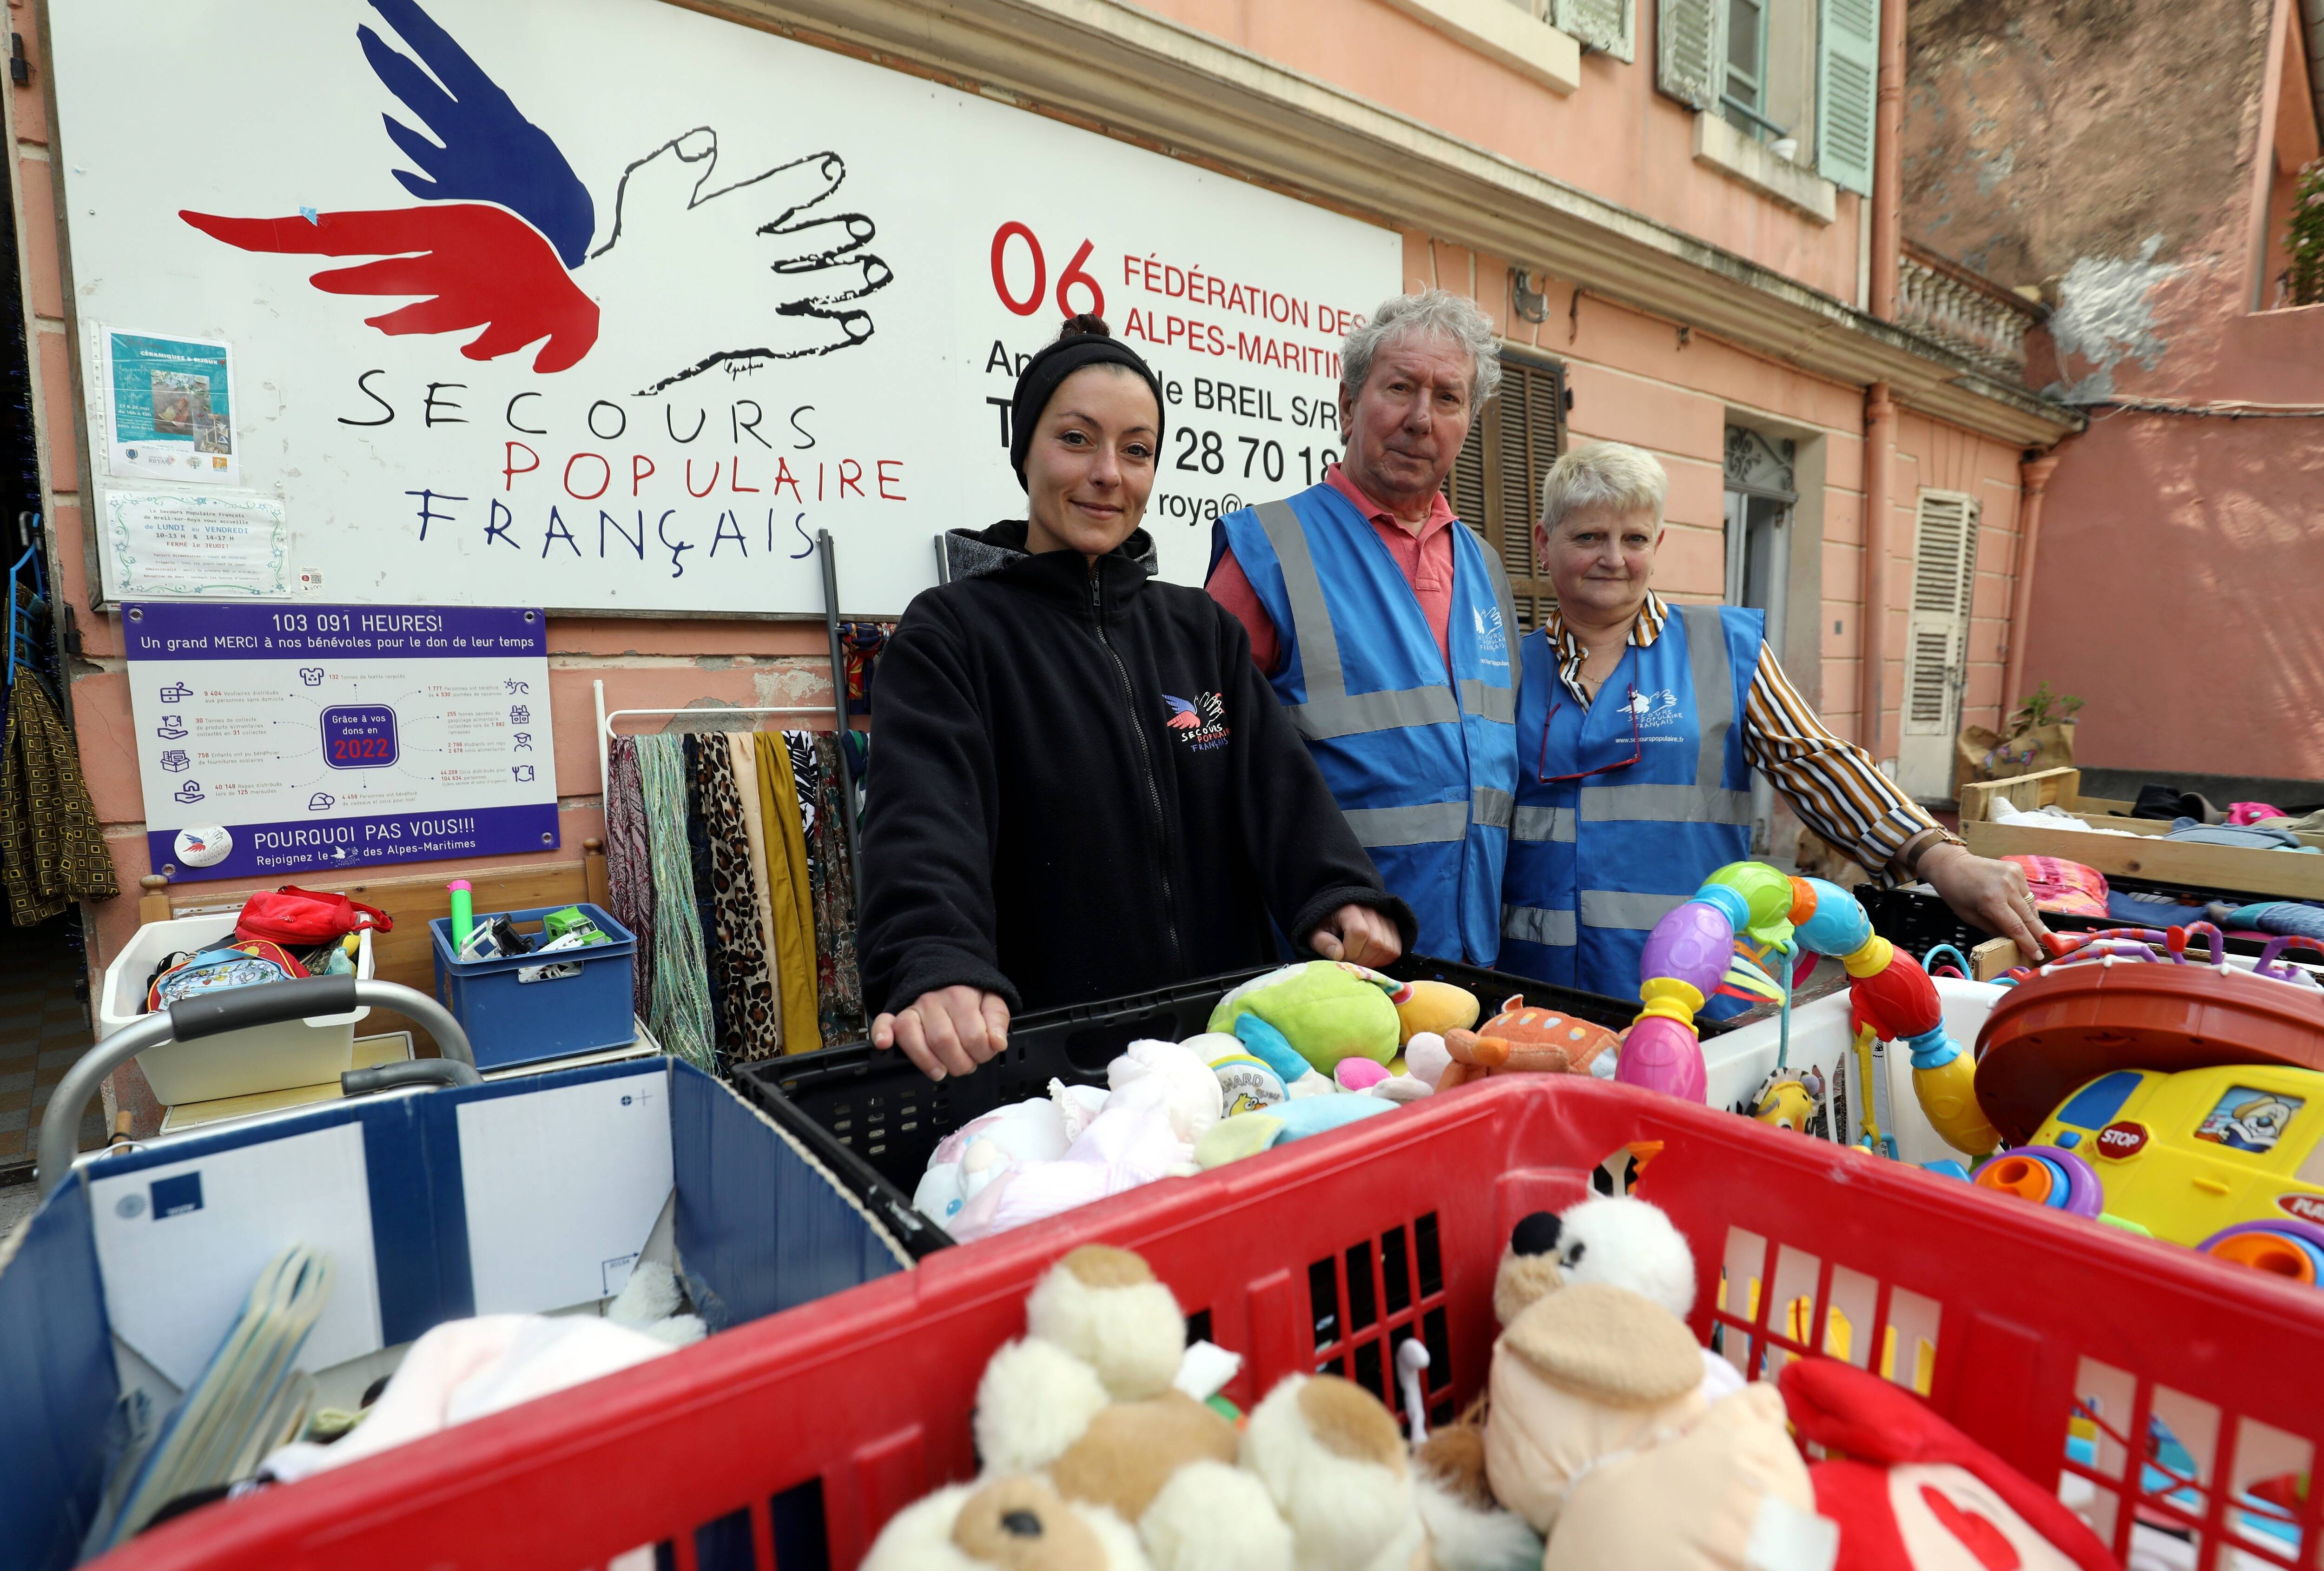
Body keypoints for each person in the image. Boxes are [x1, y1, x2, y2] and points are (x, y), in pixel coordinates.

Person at [858, 316, 1414, 1081]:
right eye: (1076, 439)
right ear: (1025, 450)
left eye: (1136, 449)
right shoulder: (952, 633)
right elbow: (923, 825)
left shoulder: (1201, 631)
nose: (1108, 474)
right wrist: (936, 957)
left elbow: (1283, 794)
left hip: (1224, 1054)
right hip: (1051, 1070)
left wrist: (1339, 892)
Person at [1500, 441, 2050, 1010]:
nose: (1613, 557)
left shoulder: (1722, 649)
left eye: (1634, 539)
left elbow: (1814, 761)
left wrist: (1941, 857)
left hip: (1693, 978)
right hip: (1533, 986)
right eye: (1588, 537)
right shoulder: (1503, 666)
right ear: (1544, 543)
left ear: (1657, 545)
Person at [1207, 290, 1517, 968]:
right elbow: (1203, 761)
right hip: (1326, 962)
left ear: (1468, 422)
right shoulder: (1269, 550)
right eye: (1399, 388)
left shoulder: (1485, 567)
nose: (1420, 419)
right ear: (1348, 405)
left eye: (1447, 398)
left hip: (1470, 965)